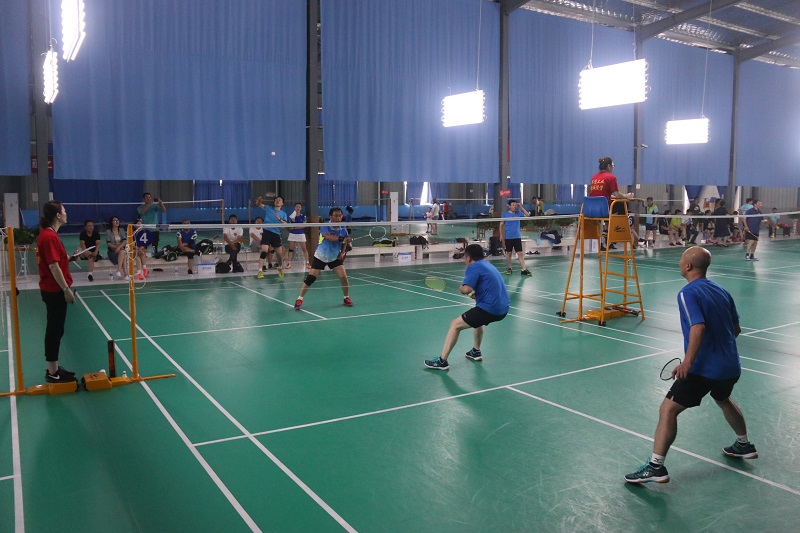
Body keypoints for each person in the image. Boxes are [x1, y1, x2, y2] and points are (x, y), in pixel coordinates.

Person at [625, 246, 757, 484]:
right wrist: (719, 350)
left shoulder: (687, 293)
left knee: (668, 409)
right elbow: (736, 329)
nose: (679, 263)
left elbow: (698, 327)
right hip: (730, 367)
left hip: (704, 369)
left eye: (681, 259)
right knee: (723, 398)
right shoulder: (722, 291)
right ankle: (744, 445)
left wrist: (688, 362)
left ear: (688, 266)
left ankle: (655, 467)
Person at [424, 243, 510, 370]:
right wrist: (478, 294)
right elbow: (491, 286)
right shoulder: (487, 265)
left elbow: (466, 289)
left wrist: (462, 288)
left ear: (469, 258)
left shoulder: (473, 267)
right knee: (478, 320)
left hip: (490, 309)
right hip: (503, 309)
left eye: (464, 256)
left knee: (455, 325)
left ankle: (442, 361)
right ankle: (476, 351)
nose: (464, 259)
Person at [37, 200, 78, 383]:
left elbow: (55, 260)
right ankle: (52, 372)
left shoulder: (50, 234)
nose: (67, 213)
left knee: (56, 329)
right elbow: (53, 267)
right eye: (64, 211)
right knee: (54, 330)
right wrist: (66, 289)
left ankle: (54, 368)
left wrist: (68, 258)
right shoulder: (49, 236)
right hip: (54, 290)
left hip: (52, 289)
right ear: (58, 216)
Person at [294, 207, 353, 310]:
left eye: (340, 215)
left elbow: (345, 241)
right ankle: (299, 299)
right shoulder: (325, 225)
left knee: (344, 278)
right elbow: (328, 237)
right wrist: (343, 239)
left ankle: (346, 298)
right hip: (321, 256)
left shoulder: (343, 228)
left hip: (334, 257)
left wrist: (342, 252)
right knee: (310, 278)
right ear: (331, 217)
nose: (338, 217)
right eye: (336, 215)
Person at [255, 195, 288, 278]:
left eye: (279, 200)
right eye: (276, 199)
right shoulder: (269, 208)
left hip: (276, 234)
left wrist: (279, 219)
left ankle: (280, 268)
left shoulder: (283, 214)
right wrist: (259, 200)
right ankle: (260, 271)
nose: (277, 200)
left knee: (279, 255)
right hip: (266, 232)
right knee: (264, 251)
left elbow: (285, 224)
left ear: (282, 203)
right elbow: (258, 204)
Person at [500, 199, 532, 276]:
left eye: (515, 205)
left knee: (520, 253)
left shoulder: (518, 213)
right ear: (509, 206)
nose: (514, 207)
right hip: (508, 237)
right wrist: (501, 235)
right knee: (509, 253)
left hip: (517, 237)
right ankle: (509, 268)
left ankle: (524, 269)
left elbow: (527, 215)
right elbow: (501, 225)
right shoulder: (505, 215)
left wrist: (521, 206)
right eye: (513, 205)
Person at [105, 216, 129, 280]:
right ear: (111, 222)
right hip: (112, 251)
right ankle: (125, 274)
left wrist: (119, 247)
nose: (117, 222)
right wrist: (117, 247)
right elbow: (109, 243)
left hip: (121, 249)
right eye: (115, 220)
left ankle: (119, 271)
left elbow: (124, 241)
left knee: (123, 253)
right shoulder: (108, 231)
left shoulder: (121, 230)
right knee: (123, 253)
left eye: (117, 220)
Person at [287, 202, 310, 269]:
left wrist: (294, 227)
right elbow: (289, 226)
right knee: (291, 249)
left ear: (301, 208)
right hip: (292, 234)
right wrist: (293, 222)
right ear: (294, 208)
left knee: (304, 249)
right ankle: (289, 263)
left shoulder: (303, 216)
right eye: (296, 207)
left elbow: (304, 226)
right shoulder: (291, 216)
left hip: (300, 234)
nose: (298, 208)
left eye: (299, 207)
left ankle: (307, 263)